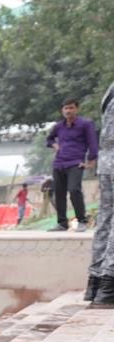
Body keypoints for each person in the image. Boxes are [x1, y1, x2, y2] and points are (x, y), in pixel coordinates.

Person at [45, 98, 98, 232]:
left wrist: (91, 160)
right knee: (59, 193)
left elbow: (92, 142)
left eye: (71, 108)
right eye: (66, 108)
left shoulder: (86, 124)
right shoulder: (59, 126)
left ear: (77, 109)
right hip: (59, 163)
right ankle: (62, 223)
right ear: (62, 111)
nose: (68, 111)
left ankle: (82, 220)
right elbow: (49, 139)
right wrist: (55, 145)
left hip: (76, 162)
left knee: (74, 190)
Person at [88, 82, 114, 305]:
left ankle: (95, 283)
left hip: (107, 162)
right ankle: (109, 286)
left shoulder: (109, 91)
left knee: (105, 219)